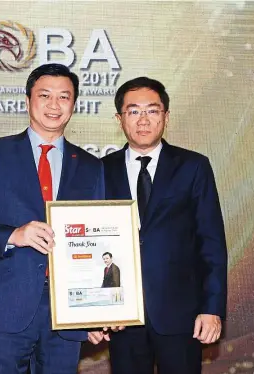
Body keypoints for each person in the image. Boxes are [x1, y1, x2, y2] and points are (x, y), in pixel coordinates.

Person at [0, 63, 104, 374]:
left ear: (74, 104)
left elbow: (97, 241)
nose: (54, 105)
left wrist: (96, 310)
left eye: (64, 97)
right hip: (5, 305)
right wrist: (13, 235)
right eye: (45, 95)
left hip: (68, 313)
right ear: (28, 99)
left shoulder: (90, 165)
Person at [89, 77, 228, 374]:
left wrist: (212, 308)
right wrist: (94, 312)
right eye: (133, 111)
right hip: (121, 316)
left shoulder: (193, 166)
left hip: (182, 316)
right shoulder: (100, 170)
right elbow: (90, 245)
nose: (143, 120)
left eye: (152, 111)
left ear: (165, 116)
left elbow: (211, 242)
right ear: (119, 118)